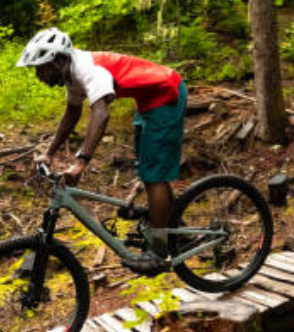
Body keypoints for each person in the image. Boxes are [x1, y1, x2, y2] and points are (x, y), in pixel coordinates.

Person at [17, 28, 187, 274]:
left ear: (58, 60)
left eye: (40, 68)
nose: (38, 75)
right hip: (147, 100)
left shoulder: (90, 70)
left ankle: (158, 252)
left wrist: (82, 161)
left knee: (154, 175)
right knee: (149, 169)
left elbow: (101, 112)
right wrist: (49, 153)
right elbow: (72, 113)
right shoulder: (71, 74)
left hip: (166, 94)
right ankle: (175, 229)